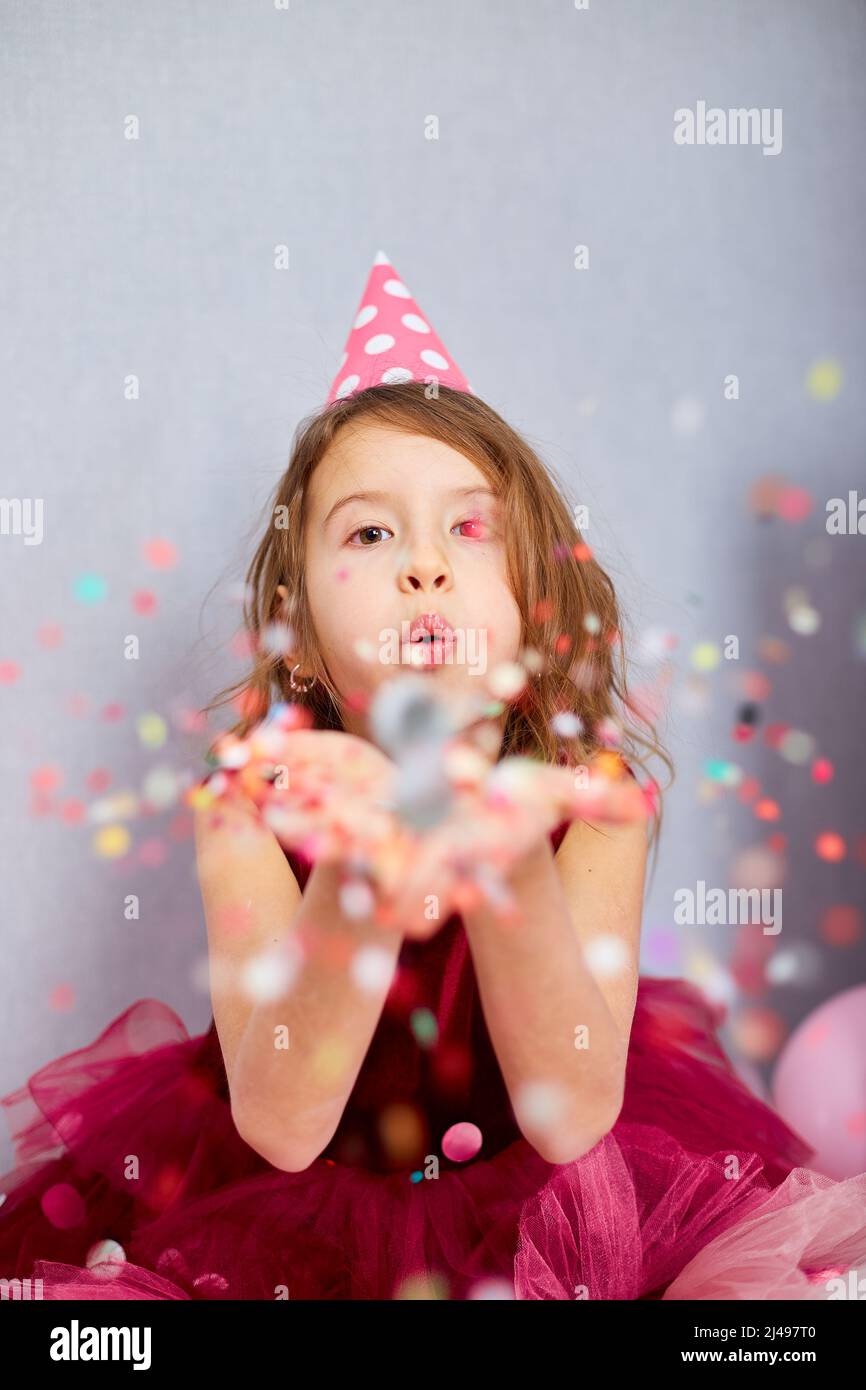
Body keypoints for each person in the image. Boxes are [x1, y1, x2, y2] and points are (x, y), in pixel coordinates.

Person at [1, 253, 864, 1301]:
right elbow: (280, 1121)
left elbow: (567, 1111)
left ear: (536, 607)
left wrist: (502, 857)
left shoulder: (590, 799)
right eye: (369, 531)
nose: (424, 565)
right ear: (303, 637)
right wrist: (360, 866)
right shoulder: (250, 802)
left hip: (541, 1209)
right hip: (295, 1211)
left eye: (469, 527)